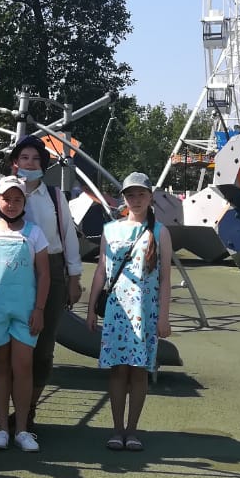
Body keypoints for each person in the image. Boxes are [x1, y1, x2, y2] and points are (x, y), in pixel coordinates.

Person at [0, 134, 83, 433]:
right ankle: (6, 415)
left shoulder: (53, 196)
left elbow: (68, 236)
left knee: (42, 347)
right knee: (8, 347)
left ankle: (27, 410)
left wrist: (74, 277)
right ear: (15, 162)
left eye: (36, 159)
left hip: (50, 270)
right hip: (10, 273)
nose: (30, 163)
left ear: (43, 164)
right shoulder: (2, 196)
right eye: (24, 158)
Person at [85, 172, 172, 452]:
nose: (136, 199)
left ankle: (132, 430)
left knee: (139, 371)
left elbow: (165, 279)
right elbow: (101, 271)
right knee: (118, 370)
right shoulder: (111, 229)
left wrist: (164, 317)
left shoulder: (160, 232)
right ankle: (117, 429)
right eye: (130, 194)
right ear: (123, 198)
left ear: (150, 197)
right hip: (117, 310)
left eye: (141, 194)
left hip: (145, 311)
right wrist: (91, 308)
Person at [0, 175, 48, 453]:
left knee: (23, 366)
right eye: (6, 199)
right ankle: (1, 428)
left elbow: (44, 273)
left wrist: (39, 309)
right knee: (0, 366)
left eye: (17, 199)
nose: (12, 204)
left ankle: (22, 429)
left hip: (25, 310)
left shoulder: (35, 233)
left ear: (24, 202)